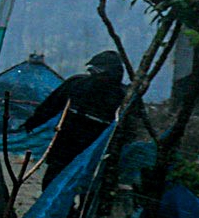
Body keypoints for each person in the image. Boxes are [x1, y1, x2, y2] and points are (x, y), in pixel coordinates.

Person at [29, 49, 129, 180]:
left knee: (79, 182)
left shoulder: (122, 95)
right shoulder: (79, 84)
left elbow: (51, 105)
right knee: (56, 179)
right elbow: (51, 105)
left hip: (90, 146)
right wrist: (33, 122)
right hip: (70, 143)